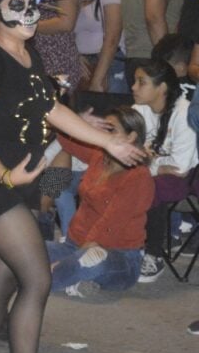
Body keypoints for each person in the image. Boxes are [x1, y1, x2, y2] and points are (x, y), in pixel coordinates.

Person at [0, 0, 145, 353]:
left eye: (30, 3)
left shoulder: (29, 55)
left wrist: (108, 144)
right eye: (15, 6)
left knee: (0, 285)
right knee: (36, 281)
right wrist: (4, 175)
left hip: (21, 177)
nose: (27, 12)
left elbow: (53, 111)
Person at [47, 107, 154, 296]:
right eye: (102, 129)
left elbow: (107, 229)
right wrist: (80, 122)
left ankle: (43, 278)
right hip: (73, 245)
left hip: (113, 253)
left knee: (91, 258)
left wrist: (64, 262)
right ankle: (70, 279)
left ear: (131, 137)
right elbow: (65, 137)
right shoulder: (99, 155)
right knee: (12, 251)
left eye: (110, 130)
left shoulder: (138, 177)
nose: (102, 135)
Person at [130, 60, 198, 282]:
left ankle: (153, 253)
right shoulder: (137, 110)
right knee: (104, 177)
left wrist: (149, 164)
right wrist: (153, 164)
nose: (133, 87)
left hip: (189, 175)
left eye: (141, 82)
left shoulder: (183, 113)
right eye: (134, 81)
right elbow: (127, 151)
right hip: (154, 171)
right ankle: (114, 240)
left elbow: (180, 167)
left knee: (147, 184)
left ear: (162, 88)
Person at [75, 0, 126, 93]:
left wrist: (97, 78)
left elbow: (112, 38)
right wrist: (75, 54)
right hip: (83, 63)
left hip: (107, 65)